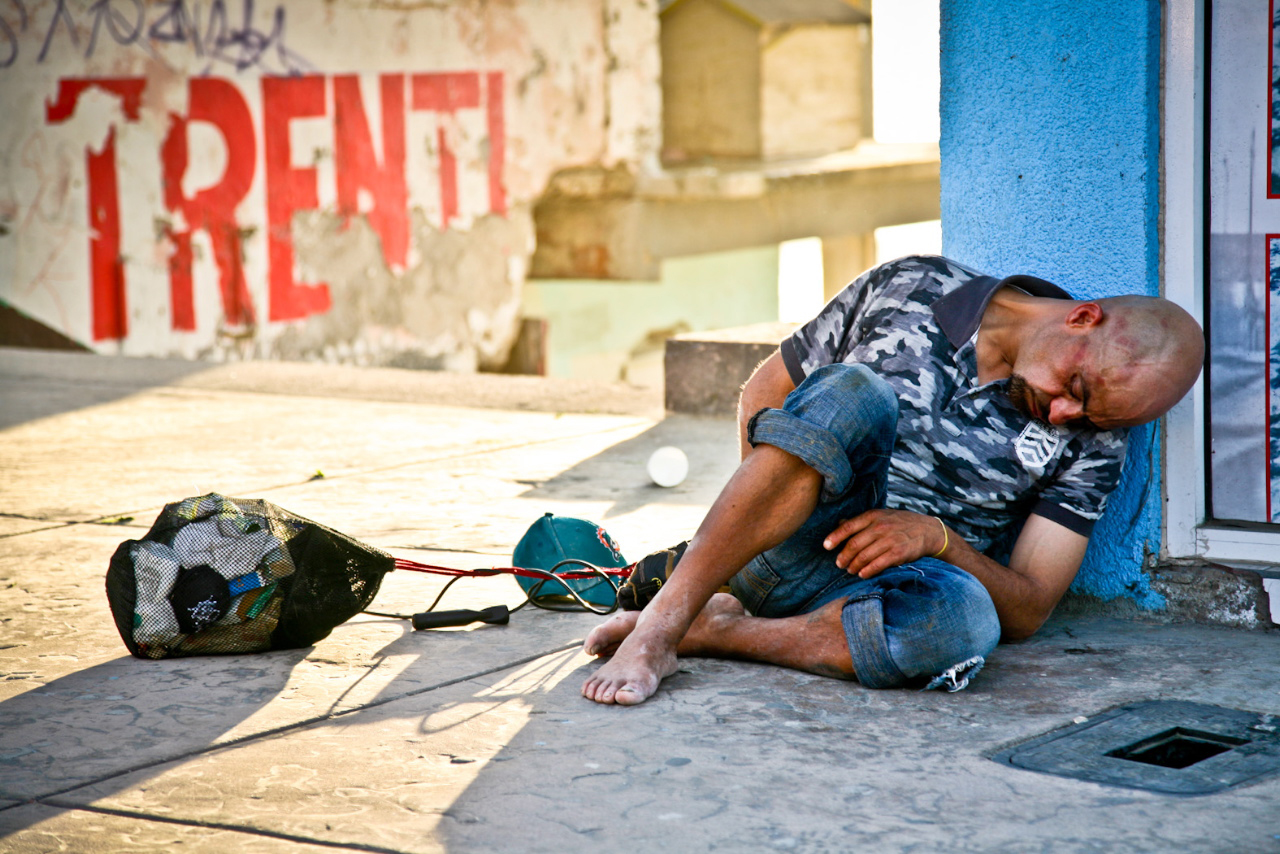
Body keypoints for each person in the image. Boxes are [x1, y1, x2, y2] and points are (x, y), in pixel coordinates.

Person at [580, 255, 1204, 706]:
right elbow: (768, 396)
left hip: (885, 600)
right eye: (1077, 390)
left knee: (967, 627)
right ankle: (666, 620)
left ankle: (714, 630)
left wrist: (938, 540)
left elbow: (1031, 605)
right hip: (789, 547)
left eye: (1092, 415)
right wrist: (760, 524)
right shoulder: (911, 287)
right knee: (853, 390)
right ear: (1082, 319)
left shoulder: (1096, 439)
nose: (1069, 415)